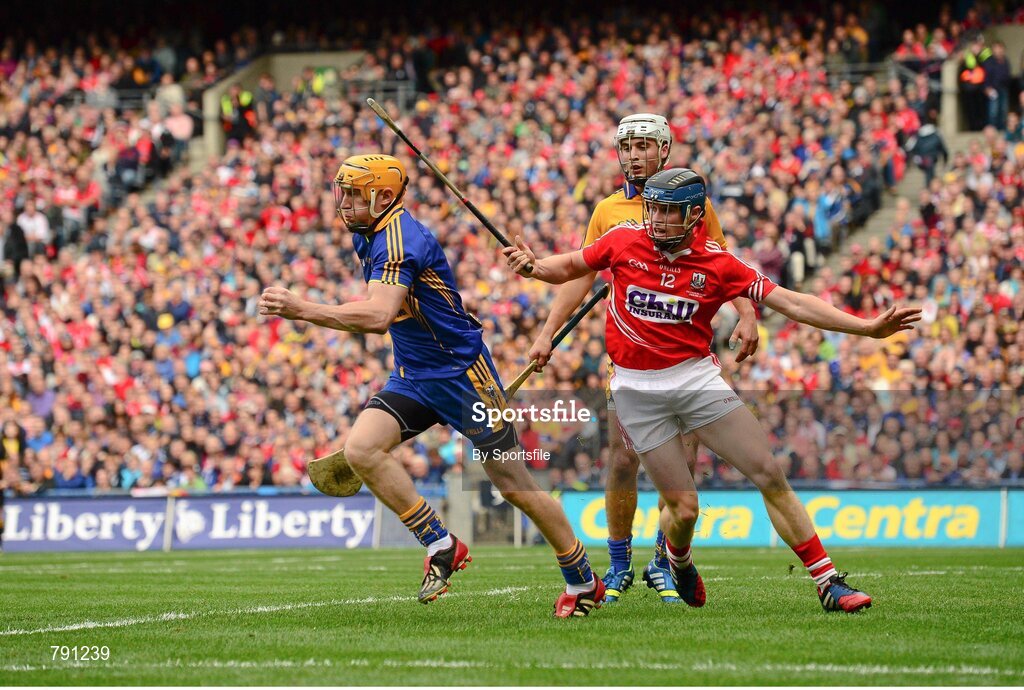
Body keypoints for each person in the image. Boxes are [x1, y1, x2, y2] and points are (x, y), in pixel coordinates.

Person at [503, 168, 922, 612]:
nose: (657, 220)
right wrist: (533, 266)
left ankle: (827, 581)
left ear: (694, 216)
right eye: (654, 210)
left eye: (668, 212)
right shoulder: (624, 240)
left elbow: (793, 302)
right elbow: (566, 266)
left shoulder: (718, 262)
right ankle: (679, 561)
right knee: (683, 510)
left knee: (767, 471)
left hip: (696, 380)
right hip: (636, 392)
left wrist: (865, 328)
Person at [259, 154, 604, 617]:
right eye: (342, 192)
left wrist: (304, 308)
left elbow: (379, 316)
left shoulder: (400, 240)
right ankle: (441, 544)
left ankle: (582, 578)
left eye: (354, 194)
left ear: (383, 196)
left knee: (515, 485)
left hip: (464, 377)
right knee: (362, 450)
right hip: (414, 376)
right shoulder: (369, 235)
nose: (343, 203)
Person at [527, 114, 760, 605]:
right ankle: (617, 563)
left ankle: (664, 561)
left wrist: (747, 314)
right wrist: (548, 333)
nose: (633, 154)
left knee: (685, 456)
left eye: (643, 146)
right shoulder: (607, 209)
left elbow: (724, 261)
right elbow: (579, 273)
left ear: (664, 150)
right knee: (623, 457)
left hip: (688, 348)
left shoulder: (692, 198)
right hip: (632, 357)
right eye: (626, 146)